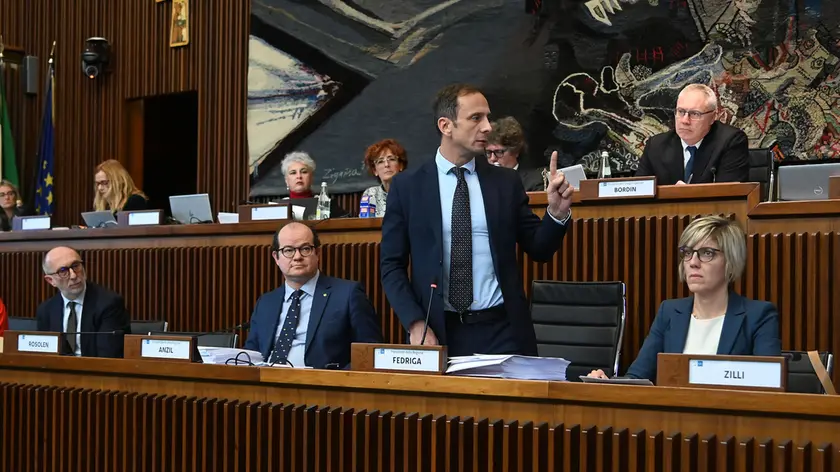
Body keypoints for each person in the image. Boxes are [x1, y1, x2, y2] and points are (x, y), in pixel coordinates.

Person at [380, 83, 575, 357]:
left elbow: (540, 249)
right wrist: (414, 323)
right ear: (446, 125)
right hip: (437, 331)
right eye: (476, 118)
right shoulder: (408, 187)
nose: (487, 127)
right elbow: (391, 265)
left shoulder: (505, 183)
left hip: (502, 330)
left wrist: (556, 213)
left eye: (487, 117)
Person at [587, 215, 780, 382]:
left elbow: (768, 387)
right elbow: (638, 377)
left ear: (731, 261)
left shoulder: (759, 316)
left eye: (707, 253)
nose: (693, 263)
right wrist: (610, 384)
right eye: (688, 253)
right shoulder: (669, 312)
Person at [244, 222, 383, 368]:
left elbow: (370, 353)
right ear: (276, 258)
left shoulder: (347, 295)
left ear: (317, 253)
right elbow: (251, 355)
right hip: (265, 386)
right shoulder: (266, 302)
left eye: (305, 249)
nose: (297, 257)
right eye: (288, 250)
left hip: (323, 387)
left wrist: (336, 381)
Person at [635, 84, 749, 185]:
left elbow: (731, 196)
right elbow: (640, 195)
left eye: (695, 114)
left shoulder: (730, 141)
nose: (685, 120)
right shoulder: (656, 146)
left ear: (713, 117)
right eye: (681, 111)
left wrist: (688, 195)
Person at [35, 246, 131, 358]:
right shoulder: (46, 310)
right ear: (51, 280)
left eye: (75, 266)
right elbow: (44, 355)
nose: (74, 276)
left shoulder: (109, 304)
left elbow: (108, 358)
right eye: (63, 271)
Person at [280, 151, 349, 218]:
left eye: (304, 172)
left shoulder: (327, 204)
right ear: (286, 180)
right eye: (293, 173)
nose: (299, 176)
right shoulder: (279, 206)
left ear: (311, 177)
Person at [485, 117, 544, 192]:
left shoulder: (533, 182)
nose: (492, 158)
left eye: (499, 152)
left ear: (516, 151)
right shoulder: (480, 181)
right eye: (489, 152)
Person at [361, 139, 408, 217]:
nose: (386, 164)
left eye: (392, 159)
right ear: (375, 170)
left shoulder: (412, 193)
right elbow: (364, 224)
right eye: (380, 161)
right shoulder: (370, 194)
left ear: (401, 165)